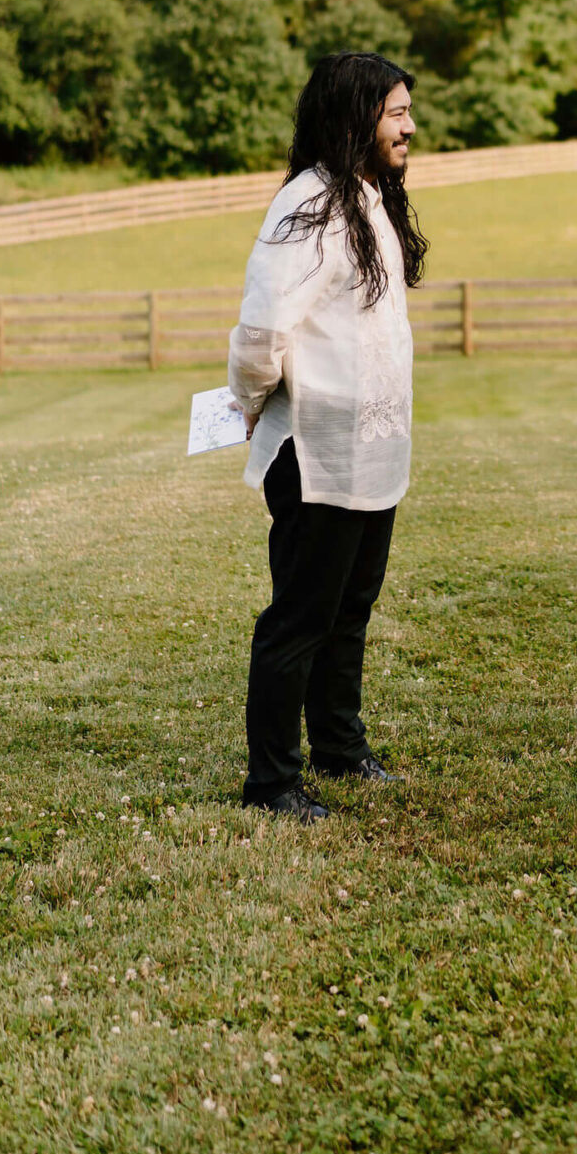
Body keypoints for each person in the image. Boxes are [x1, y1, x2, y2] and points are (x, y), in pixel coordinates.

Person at [228, 53, 425, 821]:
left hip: (372, 448)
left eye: (407, 110)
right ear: (354, 118)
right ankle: (271, 783)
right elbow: (262, 327)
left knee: (351, 609)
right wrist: (249, 401)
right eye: (395, 113)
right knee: (300, 618)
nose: (409, 126)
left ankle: (339, 749)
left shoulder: (370, 196)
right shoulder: (306, 205)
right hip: (314, 449)